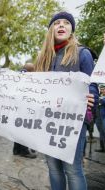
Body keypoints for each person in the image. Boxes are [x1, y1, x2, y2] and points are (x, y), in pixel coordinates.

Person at [35, 12, 98, 190]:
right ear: (51, 30)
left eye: (66, 23)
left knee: (72, 169)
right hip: (48, 120)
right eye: (57, 23)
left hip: (73, 122)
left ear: (71, 29)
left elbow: (91, 83)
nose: (61, 25)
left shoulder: (82, 53)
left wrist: (91, 95)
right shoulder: (43, 58)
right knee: (53, 168)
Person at [13, 62, 37, 159]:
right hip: (25, 107)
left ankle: (16, 149)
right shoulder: (29, 78)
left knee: (17, 128)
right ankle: (24, 151)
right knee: (24, 128)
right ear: (31, 71)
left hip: (17, 107)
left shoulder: (18, 76)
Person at [95, 84, 105, 152]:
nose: (102, 90)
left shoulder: (101, 98)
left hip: (104, 116)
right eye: (101, 89)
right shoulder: (99, 96)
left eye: (103, 89)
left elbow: (103, 102)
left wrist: (99, 99)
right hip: (98, 116)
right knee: (101, 132)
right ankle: (102, 148)